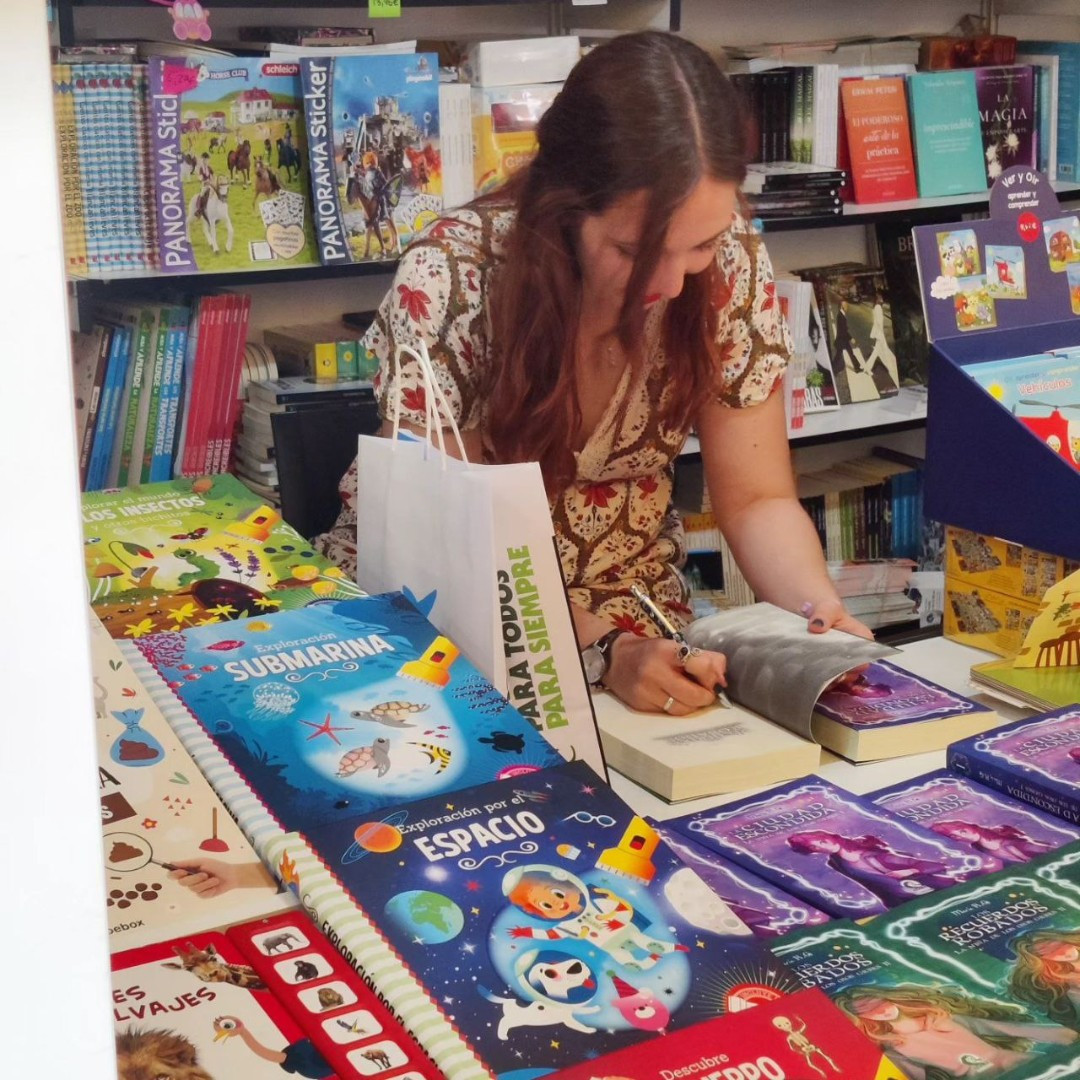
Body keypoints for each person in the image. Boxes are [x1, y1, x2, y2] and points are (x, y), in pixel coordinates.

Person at [314, 32, 870, 716]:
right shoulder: (454, 280)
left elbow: (756, 499)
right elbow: (447, 556)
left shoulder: (730, 261)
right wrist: (601, 652)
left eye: (696, 245)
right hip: (445, 621)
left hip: (640, 625)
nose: (667, 283)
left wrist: (815, 616)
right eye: (633, 249)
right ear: (564, 205)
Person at [836, 984, 1077, 1079]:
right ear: (863, 1019)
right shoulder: (895, 1047)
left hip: (1010, 1059)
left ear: (893, 999)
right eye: (869, 1011)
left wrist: (1061, 1034)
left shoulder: (942, 1018)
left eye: (881, 1004)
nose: (881, 1011)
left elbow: (1002, 1028)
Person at [786, 830, 960, 907]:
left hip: (934, 891)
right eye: (815, 847)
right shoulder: (836, 862)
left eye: (822, 841)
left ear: (830, 837)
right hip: (901, 901)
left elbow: (932, 866)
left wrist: (910, 871)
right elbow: (872, 884)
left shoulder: (871, 852)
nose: (822, 847)